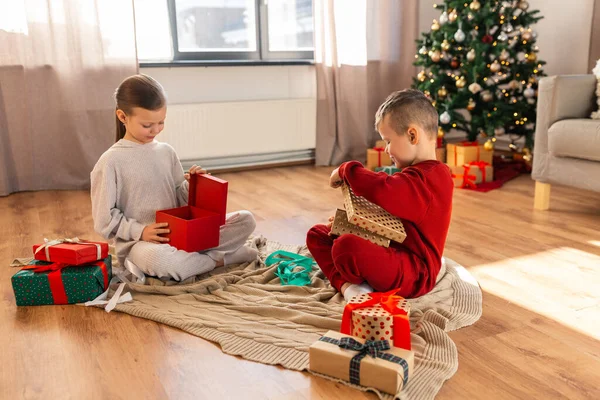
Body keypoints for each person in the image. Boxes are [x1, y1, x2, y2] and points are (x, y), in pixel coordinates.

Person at [91, 74, 257, 281]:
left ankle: (192, 260)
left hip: (182, 233)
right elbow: (103, 220)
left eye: (161, 122)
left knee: (246, 220)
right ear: (123, 117)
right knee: (160, 261)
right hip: (142, 244)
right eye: (147, 125)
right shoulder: (110, 161)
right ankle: (219, 259)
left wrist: (193, 185)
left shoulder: (166, 152)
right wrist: (141, 231)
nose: (156, 129)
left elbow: (180, 197)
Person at [306, 89, 453, 301]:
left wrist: (347, 169)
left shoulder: (431, 179)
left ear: (412, 135)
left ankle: (356, 281)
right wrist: (348, 226)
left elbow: (383, 189)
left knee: (346, 247)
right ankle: (350, 287)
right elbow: (386, 218)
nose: (386, 150)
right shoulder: (414, 175)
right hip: (391, 250)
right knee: (318, 234)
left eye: (388, 141)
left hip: (415, 273)